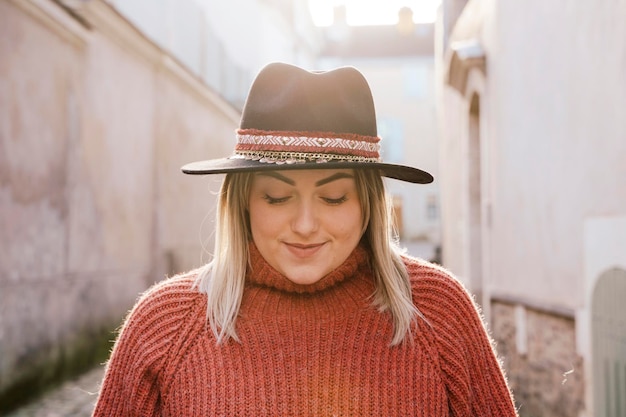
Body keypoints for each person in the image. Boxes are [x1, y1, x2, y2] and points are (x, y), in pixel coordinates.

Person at [92, 62, 518, 416]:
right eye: (277, 197)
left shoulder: (437, 312)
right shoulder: (164, 327)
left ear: (367, 204)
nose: (306, 224)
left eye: (333, 197)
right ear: (244, 203)